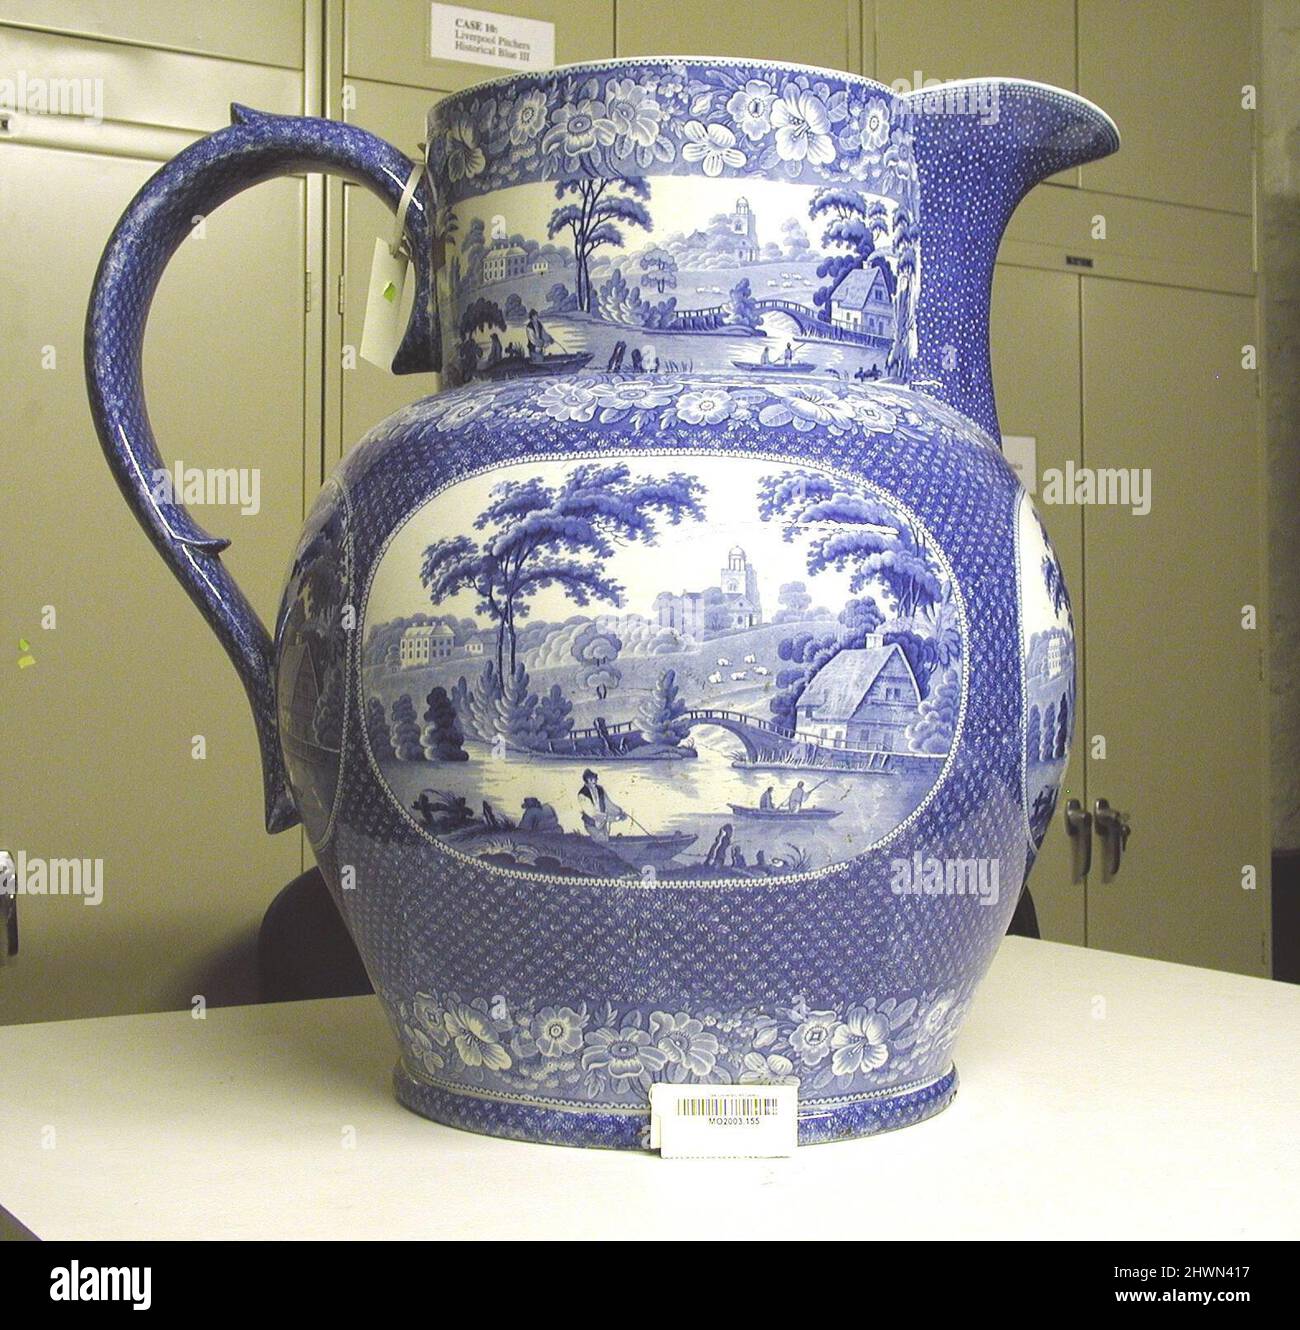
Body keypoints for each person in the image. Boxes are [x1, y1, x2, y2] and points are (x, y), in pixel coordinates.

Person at [579, 768, 626, 842]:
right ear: (586, 780)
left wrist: (620, 812)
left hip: (602, 824)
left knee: (605, 841)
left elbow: (608, 804)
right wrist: (615, 818)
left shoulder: (600, 789)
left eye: (594, 779)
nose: (594, 781)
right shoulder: (582, 794)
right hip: (592, 824)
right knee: (600, 842)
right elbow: (594, 814)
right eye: (591, 779)